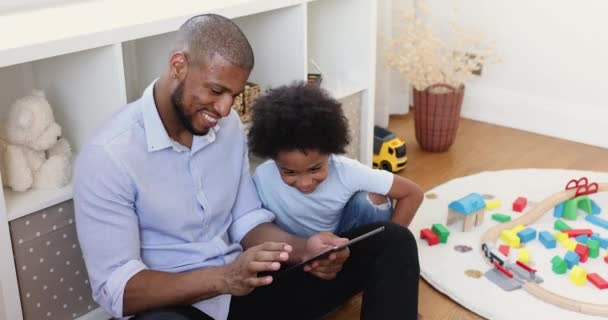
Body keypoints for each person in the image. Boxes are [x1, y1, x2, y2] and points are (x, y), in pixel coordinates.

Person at [74, 14, 420, 320]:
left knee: (391, 241)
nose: (225, 110)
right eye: (215, 90)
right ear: (178, 65)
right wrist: (223, 278)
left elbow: (247, 221)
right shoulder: (108, 156)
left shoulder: (227, 130)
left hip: (249, 289)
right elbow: (116, 289)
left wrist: (307, 248)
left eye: (234, 95)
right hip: (183, 305)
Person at [248, 82, 424, 238]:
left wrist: (390, 243)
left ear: (330, 152)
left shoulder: (347, 171)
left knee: (375, 200)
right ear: (273, 159)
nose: (305, 183)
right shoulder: (262, 177)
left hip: (339, 247)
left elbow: (413, 193)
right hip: (290, 252)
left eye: (315, 169)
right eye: (289, 172)